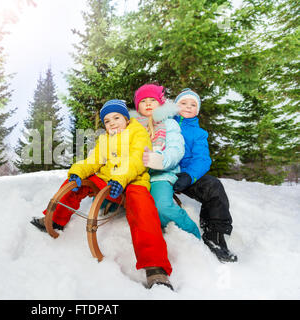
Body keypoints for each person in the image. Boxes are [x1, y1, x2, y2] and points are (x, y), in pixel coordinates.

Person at [30, 99, 174, 290]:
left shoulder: (137, 132)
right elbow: (94, 160)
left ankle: (156, 268)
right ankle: (56, 218)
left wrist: (121, 178)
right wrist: (78, 171)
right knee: (76, 183)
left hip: (132, 180)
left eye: (116, 117)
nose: (112, 123)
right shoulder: (104, 139)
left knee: (142, 207)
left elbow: (137, 159)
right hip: (108, 180)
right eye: (107, 121)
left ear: (125, 118)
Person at [173, 88, 237, 262]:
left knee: (213, 186)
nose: (188, 107)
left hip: (186, 175)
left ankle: (214, 234)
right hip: (164, 172)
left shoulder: (198, 133)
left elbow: (202, 159)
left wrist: (188, 176)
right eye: (183, 103)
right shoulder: (164, 125)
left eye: (193, 104)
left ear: (198, 110)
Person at [135, 84, 201, 239]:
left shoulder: (169, 123)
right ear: (138, 106)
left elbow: (176, 149)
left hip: (161, 174)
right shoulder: (132, 126)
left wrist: (161, 160)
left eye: (153, 100)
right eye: (144, 101)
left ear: (161, 103)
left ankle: (192, 233)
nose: (149, 103)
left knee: (162, 206)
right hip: (137, 174)